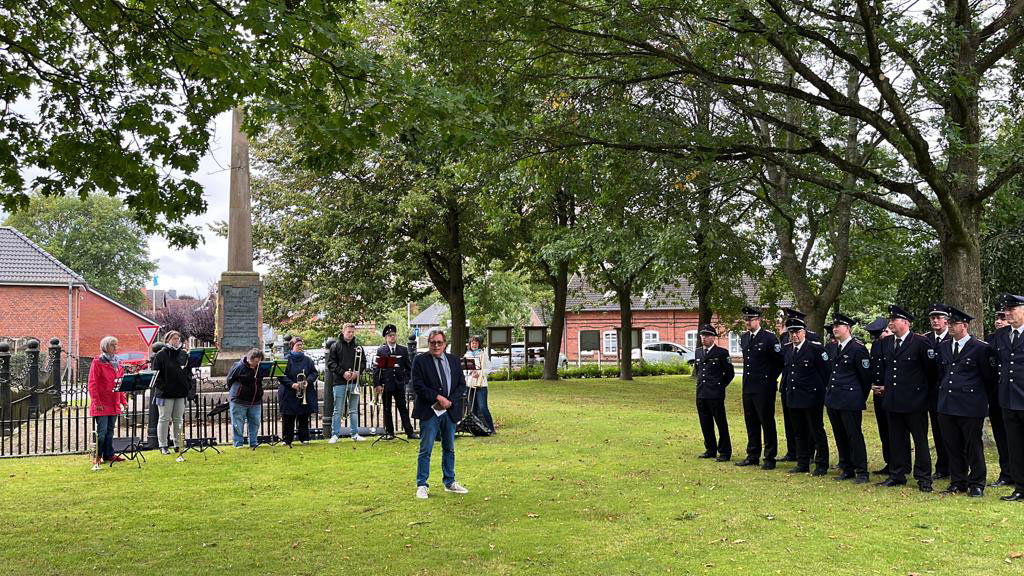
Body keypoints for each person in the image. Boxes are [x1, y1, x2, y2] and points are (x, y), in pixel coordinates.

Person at [873, 306, 939, 492]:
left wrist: (922, 395)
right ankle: (897, 474)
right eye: (890, 320)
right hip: (893, 400)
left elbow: (931, 372)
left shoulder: (920, 342)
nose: (890, 323)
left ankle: (924, 478)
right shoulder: (886, 343)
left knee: (920, 441)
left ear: (906, 322)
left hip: (915, 402)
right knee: (896, 440)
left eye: (895, 320)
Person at [935, 306, 996, 497]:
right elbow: (942, 373)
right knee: (952, 445)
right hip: (947, 404)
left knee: (972, 445)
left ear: (965, 325)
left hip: (970, 405)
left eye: (954, 323)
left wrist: (980, 400)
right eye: (949, 323)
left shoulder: (981, 348)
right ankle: (958, 481)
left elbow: (989, 378)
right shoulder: (944, 346)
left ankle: (977, 482)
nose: (950, 326)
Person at [411, 328, 468, 499]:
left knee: (449, 448)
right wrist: (438, 397)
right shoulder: (420, 361)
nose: (436, 346)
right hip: (430, 411)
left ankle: (450, 482)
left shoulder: (454, 360)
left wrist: (449, 401)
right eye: (433, 342)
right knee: (426, 449)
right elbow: (418, 385)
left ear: (445, 344)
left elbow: (461, 384)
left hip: (450, 411)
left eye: (439, 342)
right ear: (428, 343)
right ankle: (422, 484)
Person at [824, 314, 873, 483]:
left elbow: (866, 378)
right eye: (834, 326)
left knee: (854, 435)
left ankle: (862, 471)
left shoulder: (858, 348)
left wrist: (859, 397)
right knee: (840, 435)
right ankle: (846, 468)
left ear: (848, 328)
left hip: (850, 399)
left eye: (839, 326)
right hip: (834, 399)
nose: (835, 329)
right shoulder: (833, 348)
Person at [736, 306, 785, 470]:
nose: (747, 322)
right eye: (746, 319)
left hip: (764, 387)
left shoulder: (769, 338)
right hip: (748, 386)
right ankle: (753, 455)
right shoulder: (744, 338)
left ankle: (770, 457)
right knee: (751, 421)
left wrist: (769, 378)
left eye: (750, 319)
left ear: (759, 320)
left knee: (766, 421)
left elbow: (780, 362)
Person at [782, 316, 830, 475]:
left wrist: (819, 394)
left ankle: (821, 464)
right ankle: (802, 462)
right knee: (799, 432)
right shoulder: (788, 349)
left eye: (797, 332)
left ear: (804, 332)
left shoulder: (815, 349)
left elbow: (825, 373)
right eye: (791, 332)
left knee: (816, 431)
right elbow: (788, 372)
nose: (794, 335)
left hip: (811, 397)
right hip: (794, 396)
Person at [992, 293, 1024, 502]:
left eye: (1013, 309)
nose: (1008, 313)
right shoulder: (1002, 335)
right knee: (1014, 445)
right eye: (1007, 309)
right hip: (1008, 399)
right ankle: (1020, 487)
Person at [778, 308, 821, 462]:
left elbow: (821, 369)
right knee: (792, 424)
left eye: (795, 327)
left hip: (808, 389)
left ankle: (810, 453)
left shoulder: (812, 340)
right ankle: (793, 452)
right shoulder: (784, 338)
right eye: (789, 327)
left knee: (810, 425)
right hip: (789, 386)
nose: (793, 332)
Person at [693, 324, 733, 461]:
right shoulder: (698, 352)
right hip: (701, 393)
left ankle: (725, 452)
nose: (704, 338)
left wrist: (720, 386)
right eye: (702, 335)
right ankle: (710, 449)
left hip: (715, 394)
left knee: (721, 423)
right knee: (705, 423)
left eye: (707, 336)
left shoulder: (722, 353)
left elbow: (729, 373)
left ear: (713, 338)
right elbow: (699, 371)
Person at [151, 331, 193, 455]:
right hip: (165, 393)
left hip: (180, 392)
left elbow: (188, 373)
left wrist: (187, 387)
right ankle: (163, 444)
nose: (176, 341)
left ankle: (178, 444)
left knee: (178, 419)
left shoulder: (183, 354)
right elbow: (156, 376)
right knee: (164, 419)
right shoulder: (160, 355)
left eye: (178, 338)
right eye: (174, 338)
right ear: (168, 340)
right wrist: (164, 387)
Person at [923, 303, 953, 481]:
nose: (935, 320)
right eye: (932, 318)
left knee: (952, 432)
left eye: (938, 317)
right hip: (933, 394)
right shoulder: (926, 339)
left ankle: (956, 466)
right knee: (937, 430)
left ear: (946, 320)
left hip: (951, 392)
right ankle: (942, 466)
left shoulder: (953, 336)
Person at [87, 336, 128, 467]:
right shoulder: (97, 362)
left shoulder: (118, 363)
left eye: (116, 345)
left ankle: (109, 454)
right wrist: (96, 402)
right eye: (112, 345)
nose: (116, 348)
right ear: (106, 347)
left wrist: (123, 400)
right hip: (102, 402)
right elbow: (92, 384)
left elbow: (120, 384)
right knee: (102, 432)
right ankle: (98, 456)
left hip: (113, 401)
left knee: (110, 430)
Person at [372, 324, 418, 439]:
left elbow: (409, 368)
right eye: (389, 336)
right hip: (386, 385)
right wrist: (377, 384)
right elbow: (376, 369)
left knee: (402, 408)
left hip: (399, 384)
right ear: (386, 338)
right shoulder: (381, 350)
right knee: (387, 409)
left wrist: (405, 380)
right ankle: (390, 432)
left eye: (393, 335)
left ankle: (409, 432)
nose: (392, 337)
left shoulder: (402, 350)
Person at [327, 323, 367, 443]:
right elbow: (331, 364)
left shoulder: (358, 347)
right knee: (338, 409)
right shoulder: (335, 346)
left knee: (354, 409)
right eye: (348, 331)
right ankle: (335, 435)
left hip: (354, 382)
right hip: (340, 382)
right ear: (343, 331)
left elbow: (363, 362)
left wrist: (357, 372)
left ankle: (355, 434)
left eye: (352, 332)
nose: (350, 334)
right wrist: (343, 373)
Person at [987, 308, 1013, 487]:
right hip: (996, 394)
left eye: (1003, 318)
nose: (998, 321)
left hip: (1016, 395)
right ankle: (1006, 473)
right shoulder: (991, 340)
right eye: (997, 318)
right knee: (1001, 436)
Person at [865, 317, 894, 475]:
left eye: (880, 334)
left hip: (891, 393)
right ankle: (889, 461)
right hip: (878, 393)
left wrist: (887, 387)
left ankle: (899, 463)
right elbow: (874, 368)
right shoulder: (876, 346)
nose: (878, 338)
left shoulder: (892, 345)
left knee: (894, 430)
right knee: (883, 429)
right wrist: (872, 385)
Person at [278, 337, 319, 447]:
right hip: (289, 392)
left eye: (301, 345)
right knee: (288, 417)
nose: (300, 347)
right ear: (292, 346)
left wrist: (308, 381)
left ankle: (304, 438)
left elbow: (314, 373)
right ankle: (287, 440)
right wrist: (292, 384)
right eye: (298, 345)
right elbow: (280, 375)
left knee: (304, 416)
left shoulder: (308, 360)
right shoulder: (285, 359)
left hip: (304, 390)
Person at [226, 348, 265, 448]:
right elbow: (230, 380)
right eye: (254, 361)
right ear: (249, 358)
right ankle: (238, 443)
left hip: (255, 400)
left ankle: (253, 442)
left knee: (255, 422)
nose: (255, 364)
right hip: (239, 400)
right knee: (238, 423)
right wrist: (236, 391)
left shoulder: (260, 367)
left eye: (258, 362)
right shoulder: (238, 366)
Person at [464, 335, 494, 434]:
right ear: (470, 344)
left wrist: (480, 373)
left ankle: (491, 428)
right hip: (470, 384)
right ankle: (477, 429)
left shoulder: (483, 354)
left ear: (479, 344)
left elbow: (489, 368)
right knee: (473, 408)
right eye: (472, 343)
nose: (474, 345)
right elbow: (464, 369)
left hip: (481, 384)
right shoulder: (467, 355)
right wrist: (469, 372)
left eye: (476, 343)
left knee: (482, 407)